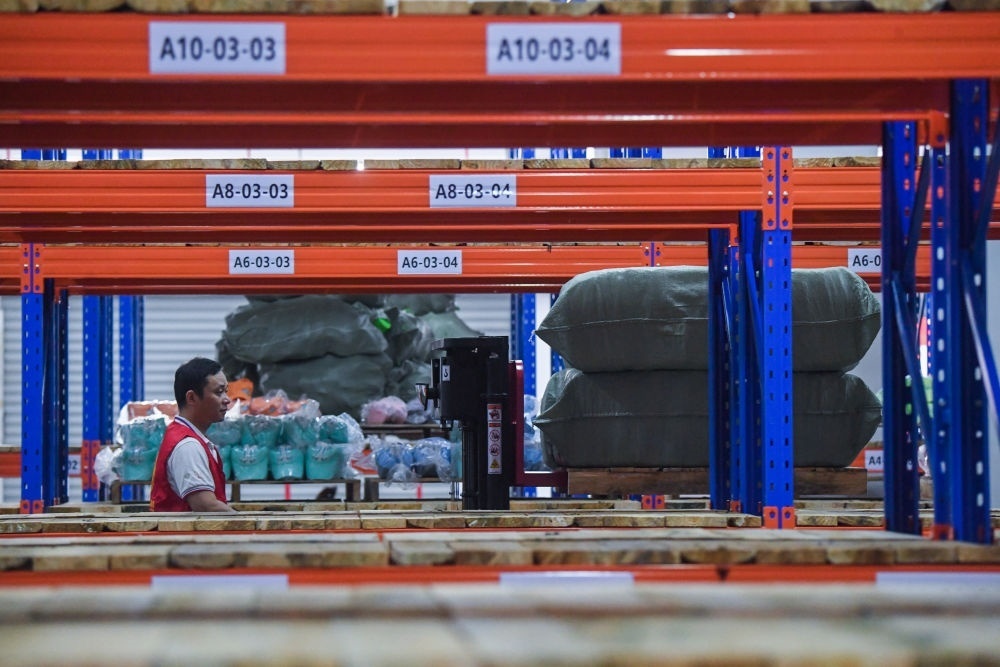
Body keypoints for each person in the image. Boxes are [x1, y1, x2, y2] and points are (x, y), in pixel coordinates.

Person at [150, 357, 236, 512]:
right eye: (219, 392)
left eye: (226, 391)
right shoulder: (188, 446)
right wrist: (245, 521)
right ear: (191, 398)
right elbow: (206, 506)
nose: (227, 400)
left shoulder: (187, 437)